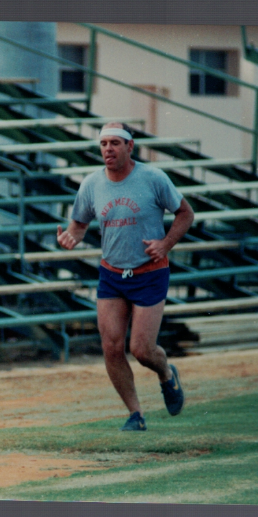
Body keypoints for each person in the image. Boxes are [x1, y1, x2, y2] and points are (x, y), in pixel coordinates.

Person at [57, 123, 195, 431]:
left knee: (143, 350)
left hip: (149, 273)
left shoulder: (153, 178)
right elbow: (79, 224)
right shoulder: (92, 184)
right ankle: (136, 415)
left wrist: (165, 243)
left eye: (115, 143)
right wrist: (72, 237)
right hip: (112, 275)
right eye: (104, 143)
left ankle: (166, 375)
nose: (108, 149)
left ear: (130, 147)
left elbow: (185, 213)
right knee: (111, 347)